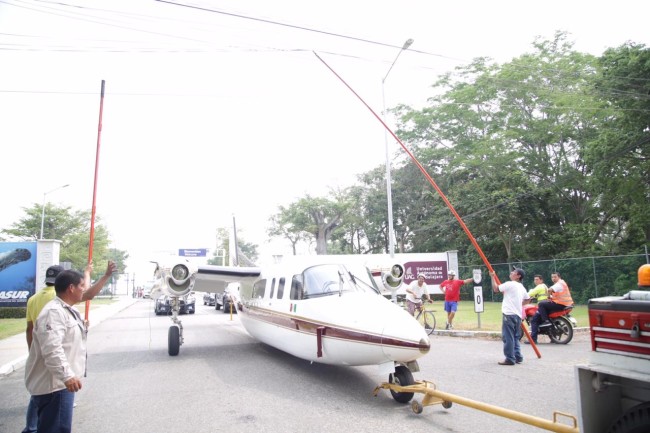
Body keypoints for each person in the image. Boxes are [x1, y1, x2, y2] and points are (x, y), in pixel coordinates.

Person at [22, 261, 116, 433]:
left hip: (59, 384)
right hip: (55, 386)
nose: (84, 289)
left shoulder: (64, 309)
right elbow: (52, 349)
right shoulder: (54, 312)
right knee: (56, 429)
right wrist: (67, 376)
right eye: (81, 286)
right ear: (71, 288)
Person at [490, 267, 530, 365]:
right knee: (515, 337)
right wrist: (518, 304)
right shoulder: (521, 287)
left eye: (514, 272)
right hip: (517, 315)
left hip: (508, 314)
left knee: (508, 337)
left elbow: (496, 289)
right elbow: (528, 299)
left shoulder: (510, 284)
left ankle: (509, 358)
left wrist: (492, 277)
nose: (511, 272)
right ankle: (518, 356)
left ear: (518, 276)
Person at [529, 271, 573, 344]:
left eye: (555, 277)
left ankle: (545, 323)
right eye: (552, 277)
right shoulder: (561, 283)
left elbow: (550, 290)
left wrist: (549, 296)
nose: (553, 278)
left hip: (560, 304)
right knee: (545, 310)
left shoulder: (559, 284)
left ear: (559, 277)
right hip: (565, 304)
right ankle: (553, 337)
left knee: (540, 307)